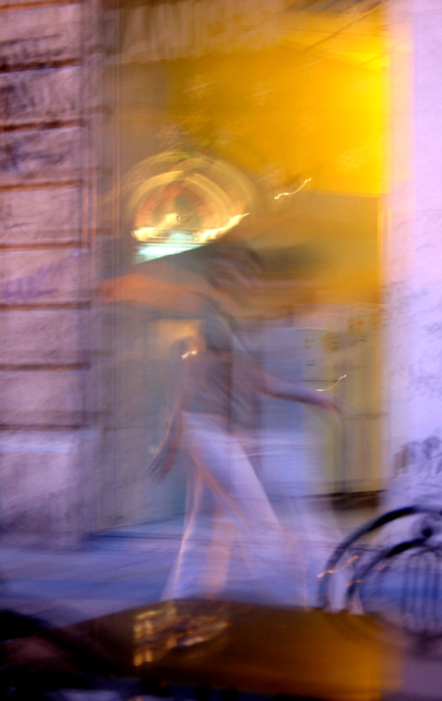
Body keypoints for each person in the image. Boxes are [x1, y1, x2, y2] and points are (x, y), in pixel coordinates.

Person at [149, 243, 342, 605]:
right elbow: (194, 379)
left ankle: (179, 604)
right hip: (207, 433)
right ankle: (295, 610)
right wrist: (171, 439)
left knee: (206, 531)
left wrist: (312, 396)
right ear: (225, 273)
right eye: (243, 272)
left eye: (251, 274)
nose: (250, 281)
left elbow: (251, 382)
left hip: (213, 433)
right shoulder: (212, 317)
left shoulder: (223, 316)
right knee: (262, 530)